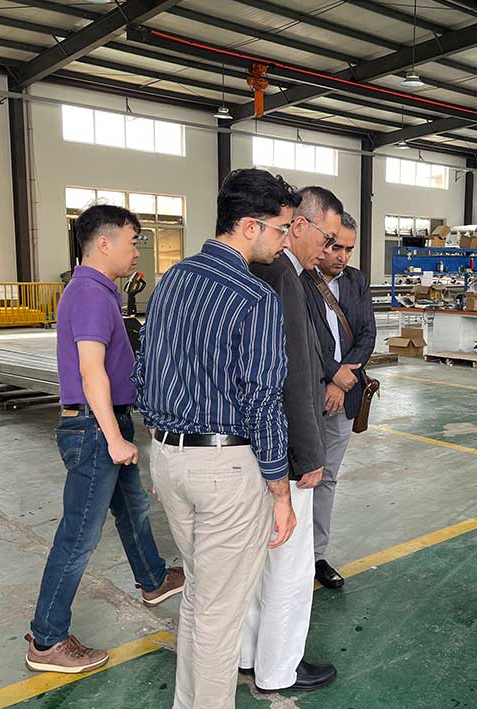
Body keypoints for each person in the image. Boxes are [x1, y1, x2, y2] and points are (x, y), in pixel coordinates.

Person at [134, 169, 299, 709]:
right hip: (226, 469)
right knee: (219, 613)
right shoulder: (255, 297)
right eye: (281, 228)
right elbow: (262, 400)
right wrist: (280, 490)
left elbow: (144, 371)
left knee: (200, 599)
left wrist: (164, 448)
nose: (285, 240)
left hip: (169, 458)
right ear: (250, 226)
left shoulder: (171, 280)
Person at [25, 204, 184, 674]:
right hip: (95, 429)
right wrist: (114, 438)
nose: (137, 252)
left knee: (132, 508)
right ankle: (47, 639)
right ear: (103, 243)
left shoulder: (98, 291)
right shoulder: (91, 295)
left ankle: (153, 578)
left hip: (106, 423)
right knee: (79, 535)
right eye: (133, 242)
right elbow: (91, 371)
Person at [242, 186, 342, 693]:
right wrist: (309, 455)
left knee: (255, 560)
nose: (329, 249)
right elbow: (296, 379)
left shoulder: (259, 270)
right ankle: (279, 668)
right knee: (288, 565)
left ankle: (247, 655)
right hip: (283, 449)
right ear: (299, 226)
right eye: (327, 237)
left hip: (249, 447)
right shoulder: (283, 276)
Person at [300, 211, 376, 589]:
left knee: (327, 477)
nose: (342, 256)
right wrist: (333, 375)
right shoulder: (299, 279)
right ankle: (291, 556)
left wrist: (344, 381)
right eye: (335, 247)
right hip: (307, 395)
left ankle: (316, 555)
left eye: (348, 249)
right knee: (300, 476)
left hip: (343, 397)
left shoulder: (357, 281)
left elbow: (367, 334)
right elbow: (301, 339)